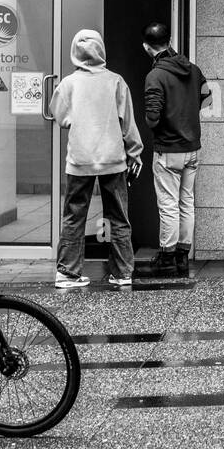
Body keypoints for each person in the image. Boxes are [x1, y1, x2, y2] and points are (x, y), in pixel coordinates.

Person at [51, 29, 143, 289]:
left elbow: (57, 112)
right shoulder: (115, 81)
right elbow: (128, 123)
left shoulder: (69, 83)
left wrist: (73, 121)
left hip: (79, 160)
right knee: (118, 217)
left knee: (74, 216)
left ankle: (67, 273)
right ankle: (123, 272)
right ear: (101, 49)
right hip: (113, 158)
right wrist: (134, 152)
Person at [141, 22, 210, 277]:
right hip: (192, 147)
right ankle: (183, 256)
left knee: (168, 204)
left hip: (168, 150)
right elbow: (208, 97)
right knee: (187, 202)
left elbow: (151, 117)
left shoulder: (155, 76)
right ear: (169, 41)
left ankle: (167, 257)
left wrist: (165, 121)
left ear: (147, 47)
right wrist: (186, 114)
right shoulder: (193, 69)